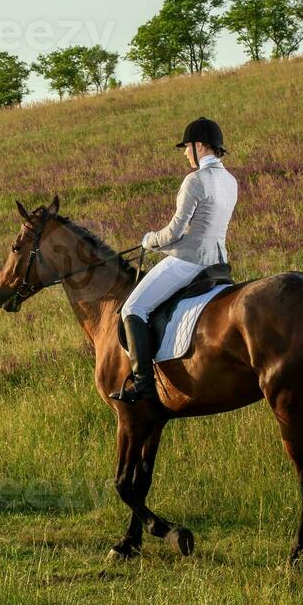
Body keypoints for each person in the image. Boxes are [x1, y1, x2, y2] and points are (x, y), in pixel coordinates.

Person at [109, 117, 239, 403]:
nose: (184, 153)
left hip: (188, 262)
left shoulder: (195, 180)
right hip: (217, 263)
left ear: (200, 146)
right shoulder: (231, 181)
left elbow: (175, 230)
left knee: (133, 308)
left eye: (186, 147)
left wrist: (149, 240)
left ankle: (143, 384)